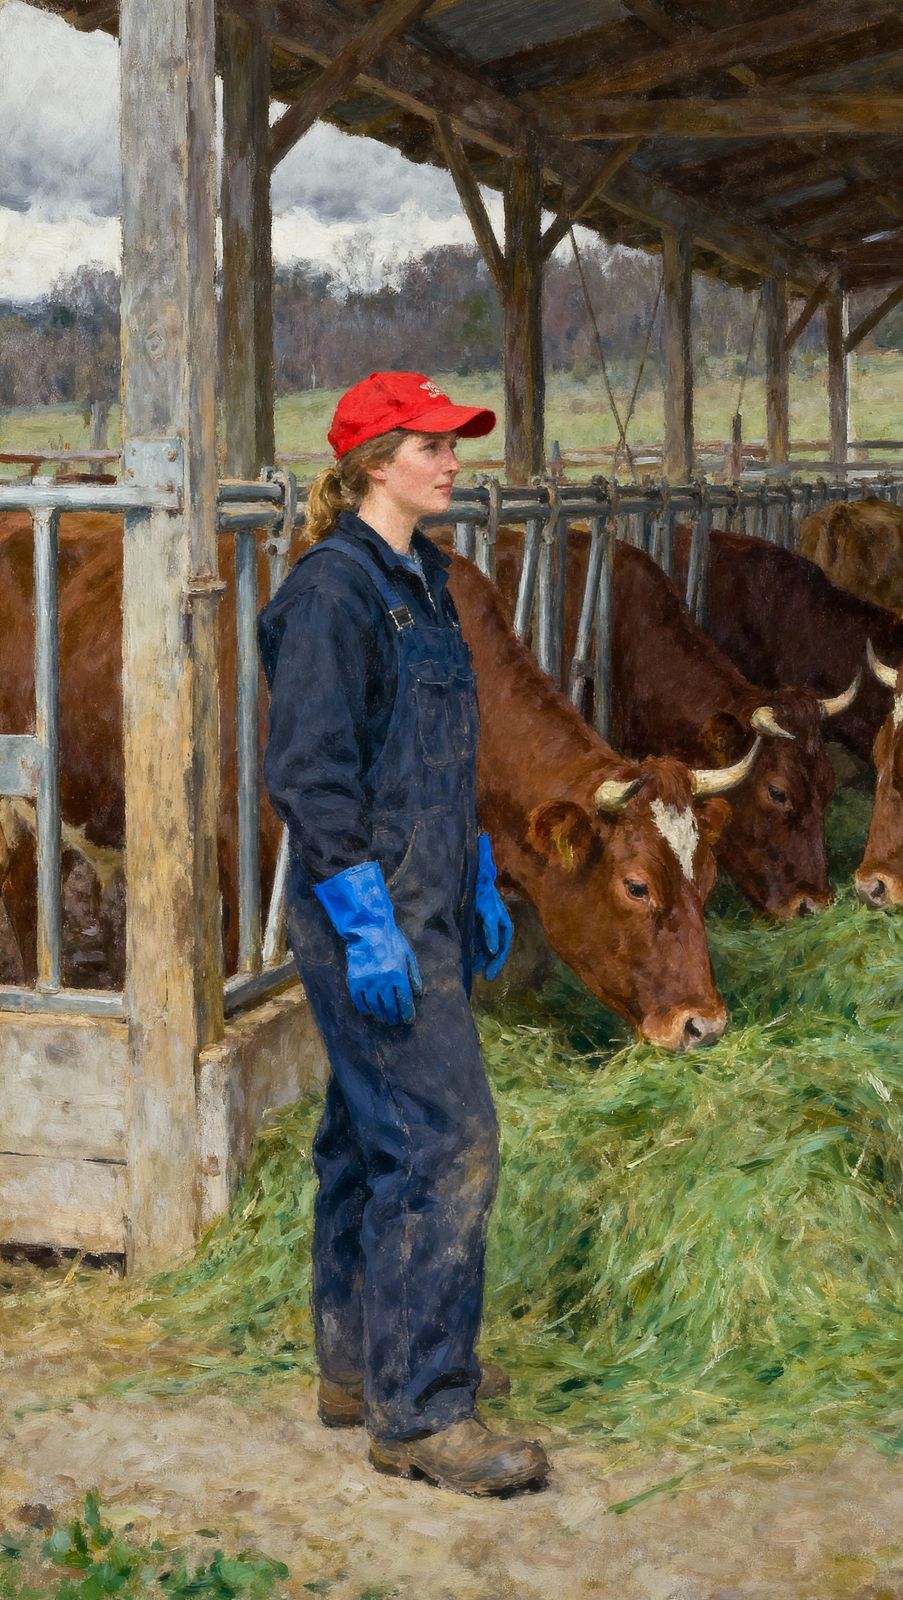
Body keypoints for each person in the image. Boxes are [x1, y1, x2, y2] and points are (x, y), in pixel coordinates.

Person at [258, 371, 547, 1496]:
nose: (453, 460)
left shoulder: (419, 576)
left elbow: (438, 746)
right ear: (376, 462)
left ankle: (358, 1363)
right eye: (433, 444)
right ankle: (423, 1408)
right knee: (447, 1138)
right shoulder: (331, 594)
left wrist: (473, 860)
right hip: (364, 910)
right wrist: (366, 919)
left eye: (453, 443)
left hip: (425, 892)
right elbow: (310, 775)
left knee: (363, 1133)